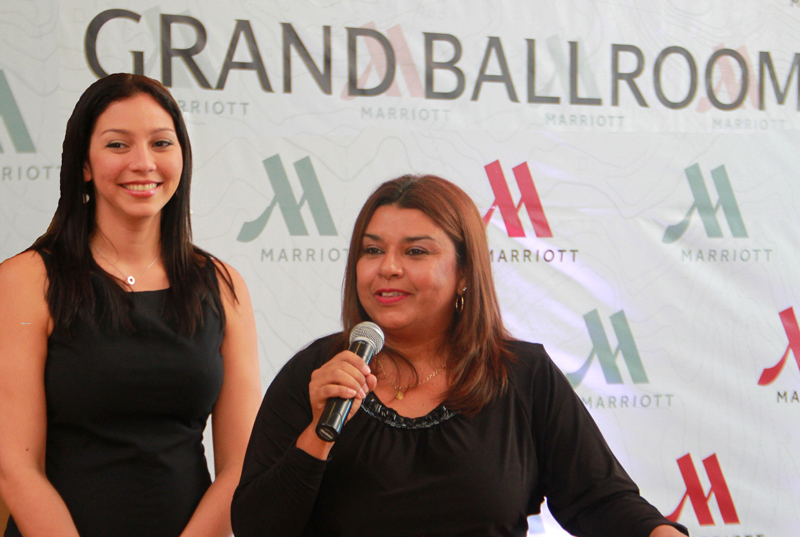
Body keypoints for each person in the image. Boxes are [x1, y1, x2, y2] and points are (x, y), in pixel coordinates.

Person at [231, 174, 689, 537]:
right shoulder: (319, 373)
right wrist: (318, 434)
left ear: (465, 272)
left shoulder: (522, 376)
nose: (388, 267)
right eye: (372, 250)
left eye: (415, 251)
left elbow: (596, 499)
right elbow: (256, 526)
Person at [0, 73, 262, 537]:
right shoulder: (25, 281)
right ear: (84, 163)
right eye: (118, 145)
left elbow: (241, 467)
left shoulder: (223, 286)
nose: (143, 163)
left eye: (162, 143)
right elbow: (15, 468)